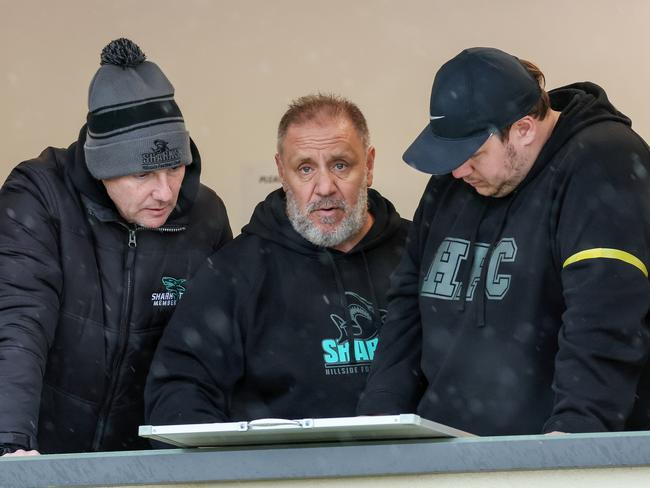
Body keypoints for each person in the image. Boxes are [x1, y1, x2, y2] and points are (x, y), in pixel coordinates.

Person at [358, 47, 650, 436]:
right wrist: (378, 423)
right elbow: (407, 308)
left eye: (473, 154)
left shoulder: (604, 162)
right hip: (449, 451)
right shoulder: (458, 175)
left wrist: (572, 443)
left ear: (524, 129)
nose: (458, 170)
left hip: (548, 452)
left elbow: (604, 318)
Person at [0, 38, 232, 456]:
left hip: (148, 459)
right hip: (41, 449)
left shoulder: (205, 217)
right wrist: (11, 443)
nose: (165, 192)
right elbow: (19, 323)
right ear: (101, 166)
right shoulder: (39, 197)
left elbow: (213, 351)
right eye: (143, 174)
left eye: (175, 167)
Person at [144, 94, 408, 427]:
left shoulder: (419, 255)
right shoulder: (234, 272)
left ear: (368, 166)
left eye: (341, 165)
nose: (325, 186)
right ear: (282, 172)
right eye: (305, 168)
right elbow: (178, 390)